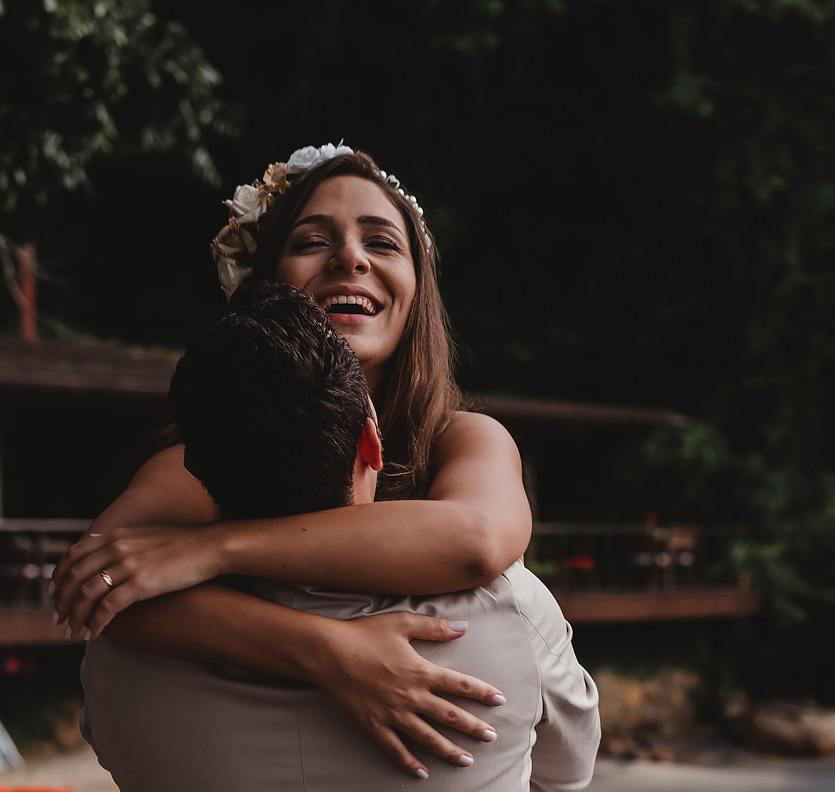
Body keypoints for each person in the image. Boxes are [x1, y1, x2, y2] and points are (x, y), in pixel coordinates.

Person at [52, 143, 540, 778]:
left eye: (383, 243)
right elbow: (100, 578)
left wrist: (212, 549)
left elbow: (476, 537)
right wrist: (327, 651)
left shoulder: (463, 439)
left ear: (418, 291)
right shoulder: (206, 454)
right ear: (265, 284)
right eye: (313, 240)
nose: (351, 258)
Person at [82, 280, 599, 791]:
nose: (351, 261)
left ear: (192, 464)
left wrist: (210, 548)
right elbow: (566, 773)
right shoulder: (508, 608)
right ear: (373, 443)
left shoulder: (121, 652)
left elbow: (90, 578)